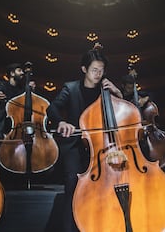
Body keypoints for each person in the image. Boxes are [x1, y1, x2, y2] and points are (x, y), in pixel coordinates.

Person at [46, 44, 123, 232]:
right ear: (84, 69)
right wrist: (62, 122)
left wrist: (118, 93)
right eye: (94, 70)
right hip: (74, 143)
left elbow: (126, 111)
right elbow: (52, 108)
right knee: (72, 184)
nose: (98, 74)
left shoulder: (105, 91)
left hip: (100, 146)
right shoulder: (70, 88)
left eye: (101, 70)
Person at [0, 63, 25, 168]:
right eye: (19, 70)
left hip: (15, 128)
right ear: (12, 73)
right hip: (0, 126)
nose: (23, 73)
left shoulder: (21, 90)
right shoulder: (2, 84)